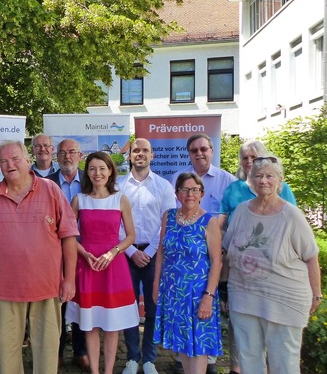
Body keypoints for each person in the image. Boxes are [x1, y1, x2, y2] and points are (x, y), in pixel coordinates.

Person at [0, 140, 78, 374]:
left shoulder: (51, 190)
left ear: (28, 161)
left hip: (47, 288)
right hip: (4, 289)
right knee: (6, 357)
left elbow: (69, 237)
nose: (10, 165)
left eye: (15, 159)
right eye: (4, 161)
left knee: (47, 353)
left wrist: (69, 280)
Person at [222, 156, 322, 374]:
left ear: (280, 181)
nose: (263, 180)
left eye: (269, 176)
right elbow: (228, 252)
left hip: (284, 299)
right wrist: (224, 290)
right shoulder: (240, 211)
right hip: (244, 296)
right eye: (257, 176)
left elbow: (311, 256)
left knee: (283, 363)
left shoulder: (292, 216)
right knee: (248, 359)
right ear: (250, 180)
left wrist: (316, 294)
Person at [218, 140, 297, 374]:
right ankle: (236, 368)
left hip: (271, 268)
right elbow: (223, 220)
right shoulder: (234, 189)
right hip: (239, 266)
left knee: (270, 320)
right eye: (245, 158)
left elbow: (291, 225)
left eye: (255, 157)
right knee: (239, 320)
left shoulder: (282, 188)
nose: (250, 161)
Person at [66, 151, 139, 374]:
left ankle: (108, 371)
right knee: (89, 323)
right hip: (87, 265)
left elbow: (130, 236)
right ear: (87, 172)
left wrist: (113, 252)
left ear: (110, 171)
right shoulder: (79, 199)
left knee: (111, 323)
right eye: (92, 169)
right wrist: (84, 253)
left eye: (102, 168)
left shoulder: (121, 199)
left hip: (112, 266)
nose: (97, 173)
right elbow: (68, 234)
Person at [170, 134, 234, 374]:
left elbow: (231, 215)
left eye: (204, 149)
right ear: (189, 153)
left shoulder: (226, 180)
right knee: (185, 309)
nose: (200, 153)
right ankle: (181, 357)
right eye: (194, 150)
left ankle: (209, 362)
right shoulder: (178, 178)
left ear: (211, 150)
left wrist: (214, 227)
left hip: (217, 251)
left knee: (206, 306)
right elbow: (177, 216)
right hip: (186, 254)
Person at [153, 172, 223, 374]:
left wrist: (208, 297)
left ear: (201, 193)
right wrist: (156, 284)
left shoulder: (209, 222)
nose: (189, 194)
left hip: (197, 294)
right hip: (173, 292)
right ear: (177, 193)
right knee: (181, 344)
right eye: (184, 189)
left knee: (198, 347)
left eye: (194, 190)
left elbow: (217, 262)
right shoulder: (169, 216)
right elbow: (161, 251)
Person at [118, 138, 177, 374]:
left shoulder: (163, 186)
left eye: (145, 150)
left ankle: (150, 358)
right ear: (130, 156)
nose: (140, 154)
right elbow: (116, 223)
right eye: (136, 150)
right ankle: (132, 357)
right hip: (126, 255)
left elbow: (168, 222)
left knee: (153, 307)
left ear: (152, 156)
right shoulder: (119, 185)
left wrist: (150, 252)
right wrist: (132, 251)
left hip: (155, 255)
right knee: (128, 306)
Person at [46, 139, 89, 370]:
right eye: (62, 153)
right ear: (56, 157)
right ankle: (57, 351)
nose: (67, 156)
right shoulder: (46, 183)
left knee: (83, 303)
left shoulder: (91, 180)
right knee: (58, 304)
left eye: (72, 152)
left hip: (87, 252)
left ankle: (81, 351)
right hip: (55, 253)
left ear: (80, 155)